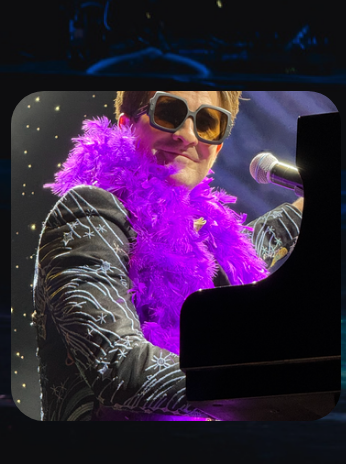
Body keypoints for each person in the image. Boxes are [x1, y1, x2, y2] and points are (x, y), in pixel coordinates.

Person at [33, 90, 303, 420]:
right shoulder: (88, 212)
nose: (187, 135)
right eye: (168, 112)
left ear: (217, 148)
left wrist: (302, 210)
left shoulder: (202, 232)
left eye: (207, 123)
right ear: (126, 125)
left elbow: (233, 265)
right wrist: (264, 385)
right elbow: (117, 364)